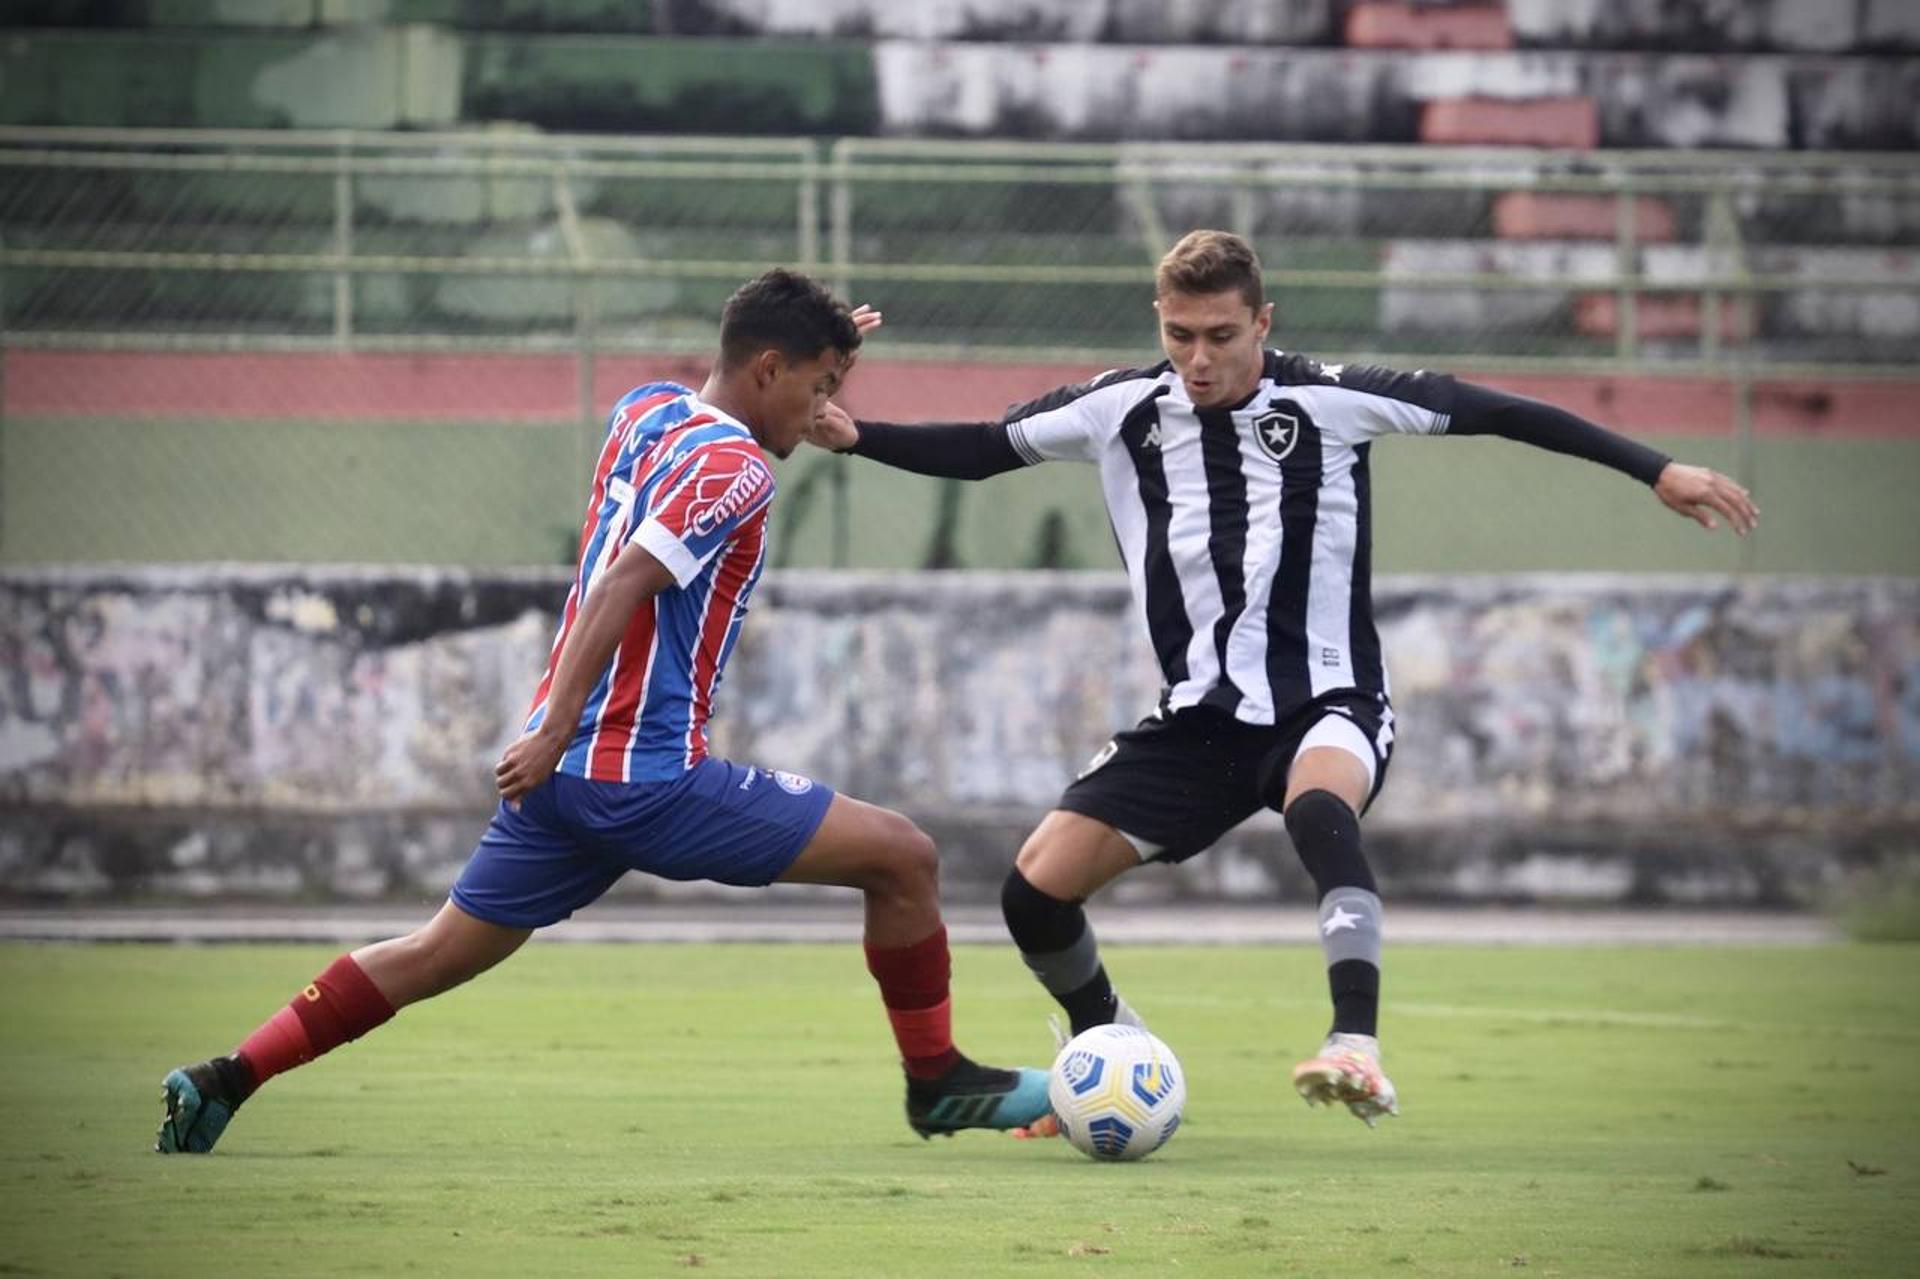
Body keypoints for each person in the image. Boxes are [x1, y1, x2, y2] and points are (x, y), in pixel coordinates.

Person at [807, 230, 1758, 1129]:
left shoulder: (1331, 401)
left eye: (1222, 335)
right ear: (1159, 319)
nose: (1199, 356)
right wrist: (859, 437)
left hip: (1328, 699)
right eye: (1179, 334)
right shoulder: (1120, 411)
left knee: (1317, 811)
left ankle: (1356, 1046)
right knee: (1033, 895)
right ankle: (1117, 1052)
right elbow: (982, 448)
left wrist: (1655, 468)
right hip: (1198, 723)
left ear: (1263, 322)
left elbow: (1496, 411)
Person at [155, 269, 1051, 1154]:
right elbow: (627, 579)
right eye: (820, 387)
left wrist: (821, 356)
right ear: (769, 369)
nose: (823, 412)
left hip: (561, 775)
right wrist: (551, 731)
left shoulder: (644, 409)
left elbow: (722, 415)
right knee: (904, 857)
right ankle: (936, 1083)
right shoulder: (740, 468)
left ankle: (228, 1075)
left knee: (435, 951)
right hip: (640, 776)